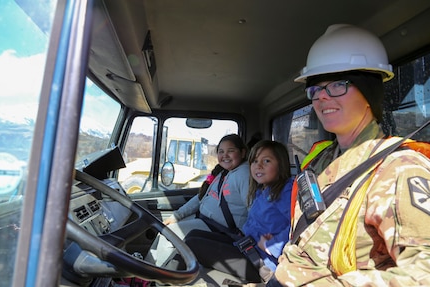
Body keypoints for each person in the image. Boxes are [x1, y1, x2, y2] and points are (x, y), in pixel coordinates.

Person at [267, 24, 430, 286]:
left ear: (369, 93)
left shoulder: (399, 167)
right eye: (315, 89)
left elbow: (424, 272)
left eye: (337, 85)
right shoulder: (322, 159)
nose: (321, 97)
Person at [184, 140, 293, 283]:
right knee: (192, 235)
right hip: (247, 247)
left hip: (262, 264)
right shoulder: (263, 190)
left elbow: (300, 226)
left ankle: (161, 280)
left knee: (193, 245)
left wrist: (273, 245)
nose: (258, 166)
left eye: (266, 161)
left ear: (281, 164)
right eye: (254, 161)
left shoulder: (287, 191)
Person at [146, 134, 250, 267]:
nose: (225, 155)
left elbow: (253, 209)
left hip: (222, 231)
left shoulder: (243, 174)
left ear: (242, 152)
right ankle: (149, 271)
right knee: (165, 229)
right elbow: (201, 197)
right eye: (221, 151)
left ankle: (145, 277)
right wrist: (177, 216)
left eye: (231, 151)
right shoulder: (223, 173)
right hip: (205, 221)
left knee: (168, 235)